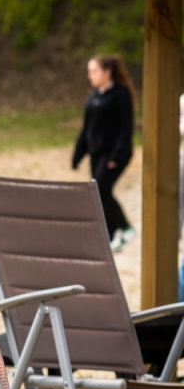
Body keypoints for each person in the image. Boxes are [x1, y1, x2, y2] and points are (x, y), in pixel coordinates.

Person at [73, 54, 136, 250]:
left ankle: (125, 227)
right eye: (89, 72)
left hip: (114, 155)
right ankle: (110, 237)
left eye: (94, 71)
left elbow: (127, 127)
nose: (90, 76)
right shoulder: (93, 98)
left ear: (107, 72)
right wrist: (78, 154)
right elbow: (87, 129)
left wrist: (118, 155)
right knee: (97, 192)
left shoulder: (120, 95)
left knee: (101, 188)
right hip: (97, 153)